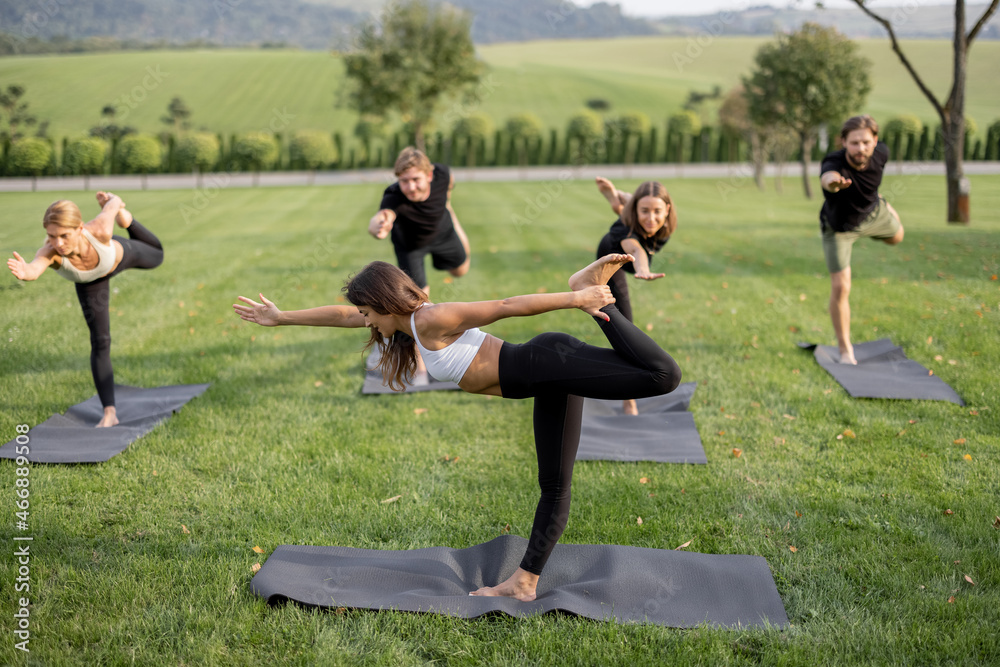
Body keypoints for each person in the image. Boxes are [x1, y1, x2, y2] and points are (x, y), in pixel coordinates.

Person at [233, 254, 681, 601]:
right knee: (555, 486)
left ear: (386, 304)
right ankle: (524, 583)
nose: (364, 321)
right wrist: (282, 316)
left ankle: (588, 289)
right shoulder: (404, 321)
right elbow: (342, 315)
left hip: (546, 362)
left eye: (369, 312)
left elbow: (506, 306)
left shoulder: (430, 318)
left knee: (663, 376)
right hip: (546, 378)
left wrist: (577, 300)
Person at [7, 192, 164, 427]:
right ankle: (109, 412)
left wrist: (114, 203)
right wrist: (25, 271)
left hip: (118, 258)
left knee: (158, 255)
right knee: (100, 340)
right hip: (91, 283)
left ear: (80, 228)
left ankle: (128, 220)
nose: (58, 243)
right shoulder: (50, 251)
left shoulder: (100, 228)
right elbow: (35, 268)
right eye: (51, 236)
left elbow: (111, 203)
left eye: (64, 235)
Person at [367, 146, 473, 383]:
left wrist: (448, 204)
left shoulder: (443, 174)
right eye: (404, 181)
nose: (410, 186)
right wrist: (378, 226)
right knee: (414, 305)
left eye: (415, 179)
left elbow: (450, 184)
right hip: (410, 247)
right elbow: (383, 215)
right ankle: (420, 368)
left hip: (444, 235)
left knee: (460, 269)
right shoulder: (393, 195)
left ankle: (457, 227)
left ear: (429, 175)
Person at [819, 115, 904, 365]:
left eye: (866, 142)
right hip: (840, 228)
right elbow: (827, 178)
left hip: (873, 214)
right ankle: (846, 351)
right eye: (854, 143)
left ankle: (885, 205)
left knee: (898, 238)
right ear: (844, 142)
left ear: (875, 141)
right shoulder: (834, 162)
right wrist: (833, 183)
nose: (861, 148)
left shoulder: (881, 153)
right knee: (840, 287)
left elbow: (870, 179)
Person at [593, 177, 678, 414]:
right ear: (637, 210)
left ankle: (616, 199)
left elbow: (642, 206)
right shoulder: (627, 230)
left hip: (633, 232)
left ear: (668, 209)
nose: (652, 218)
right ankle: (628, 399)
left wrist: (620, 195)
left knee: (631, 207)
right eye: (645, 211)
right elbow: (635, 249)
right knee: (625, 328)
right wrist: (643, 269)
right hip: (613, 258)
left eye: (657, 211)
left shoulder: (663, 221)